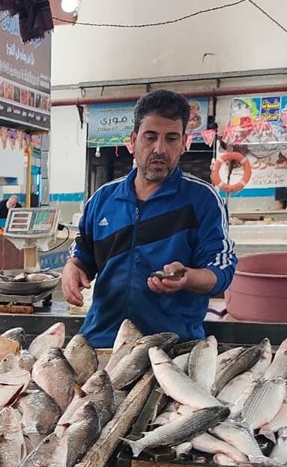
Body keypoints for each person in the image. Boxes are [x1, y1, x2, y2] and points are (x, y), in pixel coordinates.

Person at [61, 89, 236, 346]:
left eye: (171, 138)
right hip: (103, 342)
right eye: (150, 137)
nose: (159, 149)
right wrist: (72, 268)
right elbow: (82, 254)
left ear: (184, 143)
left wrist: (187, 278)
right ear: (133, 140)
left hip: (171, 347)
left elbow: (221, 269)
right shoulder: (103, 199)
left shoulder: (202, 200)